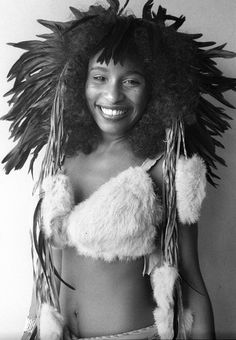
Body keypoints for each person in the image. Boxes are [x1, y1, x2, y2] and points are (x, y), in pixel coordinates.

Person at [2, 1, 235, 339]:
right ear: (80, 83)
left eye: (130, 81)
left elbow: (189, 277)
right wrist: (33, 326)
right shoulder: (62, 156)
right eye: (99, 77)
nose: (112, 94)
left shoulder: (166, 168)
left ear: (155, 89)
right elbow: (49, 266)